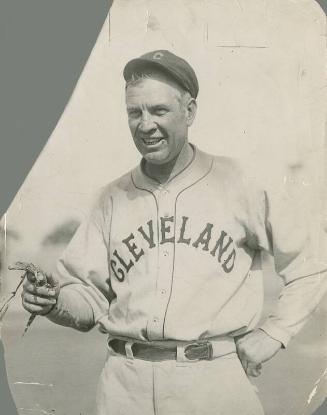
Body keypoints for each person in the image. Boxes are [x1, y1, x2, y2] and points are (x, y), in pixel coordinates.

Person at [21, 50, 327, 415]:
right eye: (135, 113)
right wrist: (54, 302)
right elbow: (87, 298)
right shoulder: (111, 199)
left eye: (159, 110)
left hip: (211, 382)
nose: (145, 124)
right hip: (124, 385)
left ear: (190, 112)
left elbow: (312, 264)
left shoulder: (239, 183)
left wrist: (274, 333)